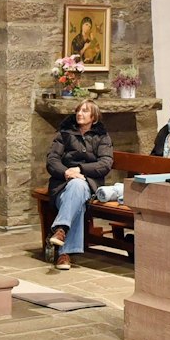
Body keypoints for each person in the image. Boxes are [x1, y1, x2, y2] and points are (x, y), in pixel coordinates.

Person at [43, 99, 114, 271]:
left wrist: (81, 168)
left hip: (88, 183)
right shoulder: (64, 133)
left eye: (84, 111)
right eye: (78, 111)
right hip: (62, 186)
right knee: (77, 195)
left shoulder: (102, 137)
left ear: (94, 117)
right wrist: (67, 172)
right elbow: (52, 160)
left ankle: (61, 236)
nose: (79, 114)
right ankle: (63, 244)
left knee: (79, 186)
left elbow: (106, 163)